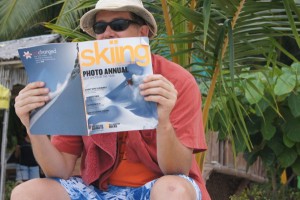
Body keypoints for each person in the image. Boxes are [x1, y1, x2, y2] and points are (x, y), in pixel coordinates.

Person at [11, 0, 210, 199]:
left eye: (118, 25)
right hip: (99, 190)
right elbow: (59, 169)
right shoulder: (79, 82)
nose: (107, 33)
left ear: (143, 32)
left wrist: (163, 121)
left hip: (158, 187)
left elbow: (178, 170)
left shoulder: (176, 81)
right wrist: (31, 126)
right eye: (100, 27)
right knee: (26, 193)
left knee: (173, 190)